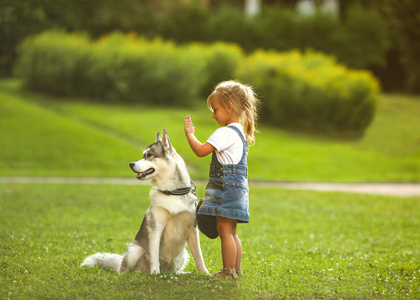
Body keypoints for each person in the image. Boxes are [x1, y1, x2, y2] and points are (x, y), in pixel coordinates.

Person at [184, 80, 259, 278]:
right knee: (231, 232)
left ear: (229, 107)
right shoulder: (239, 134)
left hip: (225, 189)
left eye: (216, 109)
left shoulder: (225, 133)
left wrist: (190, 135)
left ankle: (228, 271)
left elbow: (200, 151)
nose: (213, 114)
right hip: (238, 189)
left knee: (224, 230)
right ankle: (236, 269)